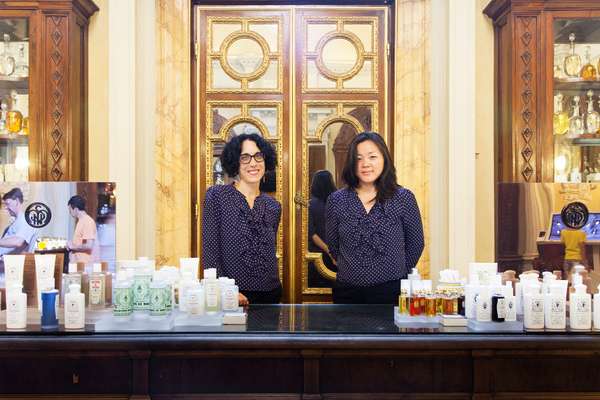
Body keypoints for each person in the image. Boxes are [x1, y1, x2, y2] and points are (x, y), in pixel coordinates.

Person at [326, 132, 424, 304]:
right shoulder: (337, 200)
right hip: (348, 291)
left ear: (384, 159)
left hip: (390, 291)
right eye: (358, 158)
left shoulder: (403, 197)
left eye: (372, 157)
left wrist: (397, 272)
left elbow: (416, 243)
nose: (365, 164)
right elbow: (333, 245)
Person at [202, 133, 281, 305]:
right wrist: (226, 290)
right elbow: (210, 252)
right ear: (235, 163)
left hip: (270, 293)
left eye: (258, 156)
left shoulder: (273, 206)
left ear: (266, 160)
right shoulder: (217, 196)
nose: (253, 163)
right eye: (245, 157)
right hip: (231, 295)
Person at [308, 170, 337, 287]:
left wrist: (328, 251)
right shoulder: (338, 203)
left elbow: (312, 234)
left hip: (317, 255)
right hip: (338, 253)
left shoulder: (310, 205)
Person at [0, 188, 38, 257]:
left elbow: (18, 242)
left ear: (17, 201)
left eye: (8, 204)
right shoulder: (16, 221)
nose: (5, 207)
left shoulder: (26, 220)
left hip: (11, 264)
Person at [66, 195, 100, 264]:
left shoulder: (87, 221)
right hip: (79, 264)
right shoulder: (81, 221)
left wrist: (73, 247)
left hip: (85, 265)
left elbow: (89, 245)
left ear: (75, 209)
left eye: (70, 210)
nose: (70, 213)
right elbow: (80, 242)